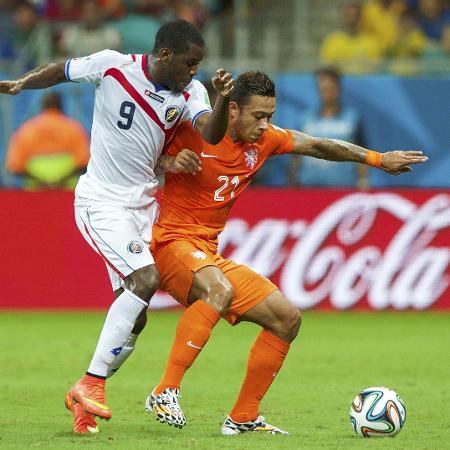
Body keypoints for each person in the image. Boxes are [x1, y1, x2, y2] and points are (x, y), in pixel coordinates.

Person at [141, 71, 427, 435]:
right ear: (232, 110)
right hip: (171, 244)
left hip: (208, 253)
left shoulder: (265, 142)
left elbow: (318, 145)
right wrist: (167, 163)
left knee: (286, 318)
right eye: (258, 116)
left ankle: (243, 418)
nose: (265, 125)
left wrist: (376, 159)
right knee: (219, 290)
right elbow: (136, 159)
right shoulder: (191, 132)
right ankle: (165, 390)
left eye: (270, 116)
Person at [0, 19, 235, 434]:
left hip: (141, 207)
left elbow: (210, 134)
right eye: (188, 63)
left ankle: (83, 401)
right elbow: (61, 69)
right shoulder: (112, 65)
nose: (192, 71)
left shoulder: (190, 93)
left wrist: (219, 99)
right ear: (164, 55)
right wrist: (22, 83)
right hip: (100, 201)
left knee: (136, 317)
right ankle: (92, 383)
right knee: (145, 279)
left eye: (197, 65)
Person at [288, 67, 368, 189]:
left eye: (330, 89)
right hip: (308, 190)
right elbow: (296, 155)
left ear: (338, 89)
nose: (326, 94)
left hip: (343, 191)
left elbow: (362, 154)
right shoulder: (305, 119)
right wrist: (291, 184)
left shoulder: (352, 118)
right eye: (322, 89)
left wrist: (363, 181)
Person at [5, 91, 90, 190]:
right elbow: (84, 162)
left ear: (42, 106)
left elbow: (14, 166)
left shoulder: (26, 129)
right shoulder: (74, 128)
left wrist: (41, 182)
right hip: (67, 189)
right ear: (61, 106)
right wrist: (59, 181)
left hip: (35, 190)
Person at [320, 1, 383, 74]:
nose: (352, 20)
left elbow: (376, 70)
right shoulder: (332, 42)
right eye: (349, 16)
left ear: (362, 17)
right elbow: (327, 70)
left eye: (356, 16)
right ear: (343, 17)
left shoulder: (372, 42)